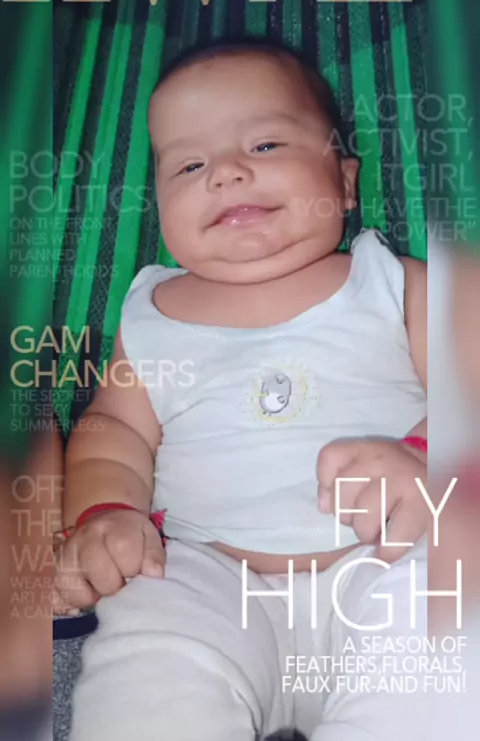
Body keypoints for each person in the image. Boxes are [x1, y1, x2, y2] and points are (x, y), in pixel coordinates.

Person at [55, 38, 428, 740]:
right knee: (149, 659)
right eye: (189, 165)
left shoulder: (390, 282)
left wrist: (423, 456)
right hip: (205, 576)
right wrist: (106, 512)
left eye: (264, 145)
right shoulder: (152, 314)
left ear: (345, 182)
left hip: (387, 562)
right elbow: (115, 434)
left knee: (445, 639)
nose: (226, 172)